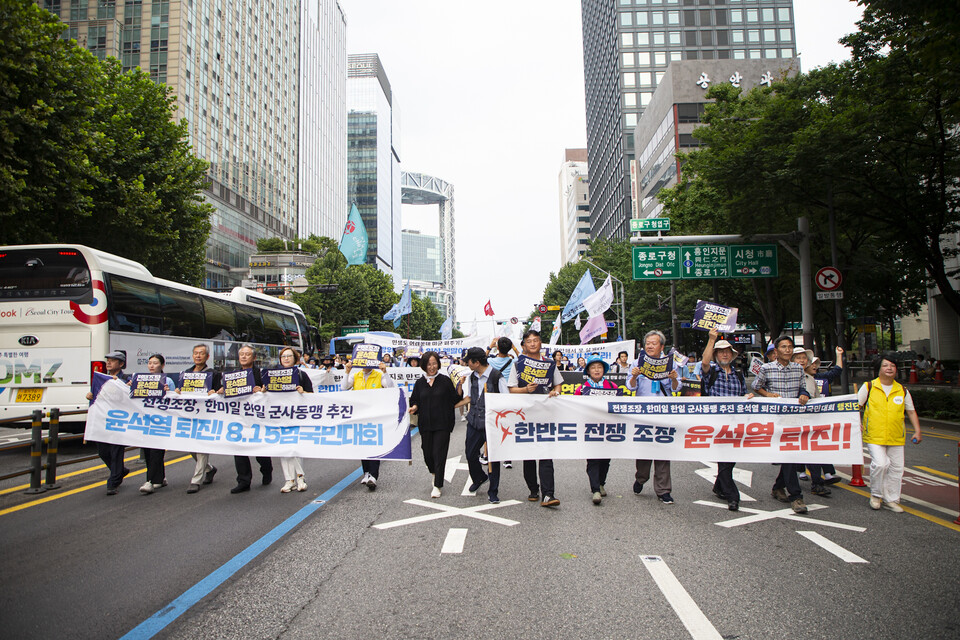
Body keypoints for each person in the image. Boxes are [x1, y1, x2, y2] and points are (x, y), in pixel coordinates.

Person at [752, 335, 811, 514]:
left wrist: (804, 394)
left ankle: (778, 487)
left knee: (790, 456)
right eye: (784, 347)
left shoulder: (798, 369)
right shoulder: (767, 368)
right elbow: (756, 386)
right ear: (776, 352)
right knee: (788, 456)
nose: (788, 350)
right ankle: (796, 496)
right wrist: (768, 395)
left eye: (790, 347)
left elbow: (803, 387)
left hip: (794, 418)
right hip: (776, 420)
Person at [508, 330, 564, 507]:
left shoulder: (549, 363)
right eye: (529, 341)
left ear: (541, 343)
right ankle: (533, 489)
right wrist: (526, 390)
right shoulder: (517, 364)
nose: (532, 344)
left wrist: (556, 392)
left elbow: (558, 384)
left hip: (546, 412)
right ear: (524, 345)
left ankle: (548, 494)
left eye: (536, 340)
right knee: (529, 455)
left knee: (546, 453)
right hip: (525, 414)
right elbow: (511, 389)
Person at [860, 353, 922, 512]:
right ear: (878, 369)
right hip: (874, 435)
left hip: (896, 436)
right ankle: (875, 495)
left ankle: (891, 499)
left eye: (892, 366)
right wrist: (857, 423)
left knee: (896, 469)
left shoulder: (902, 390)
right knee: (880, 464)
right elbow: (855, 406)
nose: (889, 368)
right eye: (886, 365)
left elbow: (911, 411)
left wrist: (917, 431)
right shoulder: (869, 387)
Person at [626, 330, 681, 505]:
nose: (650, 346)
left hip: (664, 414)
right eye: (647, 343)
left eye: (654, 343)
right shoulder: (637, 363)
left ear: (662, 346)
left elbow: (677, 388)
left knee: (663, 451)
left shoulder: (671, 364)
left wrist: (673, 378)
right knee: (643, 451)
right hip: (643, 415)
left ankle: (663, 490)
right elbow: (630, 386)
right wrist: (634, 375)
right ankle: (641, 478)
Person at [701, 329, 753, 511]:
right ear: (716, 355)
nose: (724, 354)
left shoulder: (738, 375)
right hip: (716, 424)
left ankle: (719, 486)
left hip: (734, 424)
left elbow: (741, 396)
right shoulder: (712, 371)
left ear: (732, 355)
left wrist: (748, 397)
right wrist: (711, 339)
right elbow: (705, 362)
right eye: (721, 351)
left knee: (729, 459)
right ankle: (733, 495)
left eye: (727, 352)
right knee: (724, 458)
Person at [409, 351, 462, 498]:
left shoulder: (445, 380)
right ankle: (434, 472)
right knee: (427, 454)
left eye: (434, 363)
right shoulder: (420, 383)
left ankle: (438, 485)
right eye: (428, 364)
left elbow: (455, 399)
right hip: (426, 423)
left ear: (438, 364)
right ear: (424, 365)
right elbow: (415, 400)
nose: (432, 367)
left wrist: (459, 387)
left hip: (443, 423)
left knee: (439, 453)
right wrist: (414, 407)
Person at [222, 344, 273, 494]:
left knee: (259, 449)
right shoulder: (232, 375)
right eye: (241, 354)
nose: (244, 356)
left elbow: (270, 390)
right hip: (238, 418)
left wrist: (263, 390)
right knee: (239, 448)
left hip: (257, 418)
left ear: (254, 357)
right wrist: (220, 390)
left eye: (247, 354)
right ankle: (243, 480)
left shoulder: (261, 374)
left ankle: (267, 469)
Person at [341, 355, 396, 490]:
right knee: (363, 445)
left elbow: (390, 387)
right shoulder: (356, 375)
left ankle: (373, 475)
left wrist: (385, 372)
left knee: (374, 445)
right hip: (360, 416)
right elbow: (343, 388)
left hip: (375, 416)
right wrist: (347, 372)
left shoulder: (378, 375)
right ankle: (366, 473)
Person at [462, 347, 509, 503]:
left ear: (476, 362)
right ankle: (479, 477)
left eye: (468, 361)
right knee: (470, 454)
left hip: (492, 424)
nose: (466, 363)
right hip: (474, 422)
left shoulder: (496, 377)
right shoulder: (472, 377)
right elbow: (469, 397)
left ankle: (493, 491)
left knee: (493, 459)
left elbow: (505, 400)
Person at [574, 354, 622, 505]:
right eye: (593, 367)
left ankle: (601, 483)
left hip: (608, 428)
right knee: (593, 459)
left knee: (605, 459)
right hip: (590, 428)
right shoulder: (581, 389)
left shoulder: (613, 387)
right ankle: (595, 489)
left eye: (599, 367)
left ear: (604, 370)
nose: (596, 370)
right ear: (588, 371)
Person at [86, 351, 131, 495]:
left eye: (113, 360)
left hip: (119, 420)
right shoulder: (101, 378)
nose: (109, 363)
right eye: (108, 360)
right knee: (103, 451)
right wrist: (90, 395)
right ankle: (120, 471)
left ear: (121, 364)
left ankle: (113, 482)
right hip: (103, 420)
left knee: (116, 451)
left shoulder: (127, 379)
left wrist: (128, 386)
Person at [180, 344, 222, 494]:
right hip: (190, 416)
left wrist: (215, 392)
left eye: (201, 353)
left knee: (201, 447)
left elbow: (219, 392)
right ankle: (209, 469)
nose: (198, 356)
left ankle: (196, 480)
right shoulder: (186, 373)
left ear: (207, 357)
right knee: (191, 448)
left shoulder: (214, 374)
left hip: (206, 416)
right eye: (196, 353)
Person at [272, 347, 312, 493]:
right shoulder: (273, 376)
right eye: (283, 356)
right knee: (283, 449)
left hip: (296, 416)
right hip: (280, 417)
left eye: (289, 356)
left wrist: (304, 392)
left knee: (294, 448)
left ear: (295, 359)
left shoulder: (302, 375)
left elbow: (312, 396)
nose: (286, 359)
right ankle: (289, 480)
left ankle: (300, 477)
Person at [136, 354, 176, 495]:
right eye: (150, 363)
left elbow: (174, 399)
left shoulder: (168, 381)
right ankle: (159, 478)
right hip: (146, 421)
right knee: (148, 451)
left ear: (162, 365)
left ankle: (150, 481)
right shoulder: (141, 380)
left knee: (156, 451)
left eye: (155, 363)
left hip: (161, 422)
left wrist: (168, 391)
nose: (152, 365)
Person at [487, 337, 518, 469]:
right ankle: (508, 458)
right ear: (510, 348)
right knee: (508, 426)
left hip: (495, 396)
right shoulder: (514, 361)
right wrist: (515, 348)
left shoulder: (491, 361)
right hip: (510, 396)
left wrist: (490, 346)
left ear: (497, 348)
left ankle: (493, 454)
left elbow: (481, 359)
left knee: (494, 425)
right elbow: (523, 358)